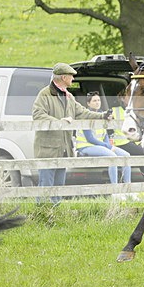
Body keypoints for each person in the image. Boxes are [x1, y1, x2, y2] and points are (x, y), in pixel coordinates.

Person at [33, 63, 112, 203]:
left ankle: (54, 214)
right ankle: (42, 215)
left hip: (64, 149)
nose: (73, 79)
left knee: (59, 187)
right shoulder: (44, 94)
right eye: (71, 76)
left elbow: (82, 112)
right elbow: (38, 115)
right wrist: (59, 121)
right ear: (63, 77)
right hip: (48, 150)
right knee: (46, 185)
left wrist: (102, 116)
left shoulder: (68, 96)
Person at [75, 92, 131, 184]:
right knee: (112, 157)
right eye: (94, 101)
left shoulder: (102, 114)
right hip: (86, 146)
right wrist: (107, 146)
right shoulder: (85, 116)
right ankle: (115, 188)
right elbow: (90, 138)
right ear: (88, 103)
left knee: (127, 156)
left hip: (100, 146)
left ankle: (128, 187)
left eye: (98, 100)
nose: (97, 102)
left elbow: (104, 134)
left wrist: (108, 145)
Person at [109, 104, 144, 182]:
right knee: (141, 152)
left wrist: (141, 140)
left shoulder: (133, 110)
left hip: (132, 139)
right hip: (120, 142)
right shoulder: (113, 110)